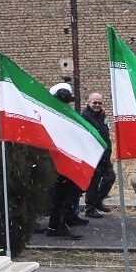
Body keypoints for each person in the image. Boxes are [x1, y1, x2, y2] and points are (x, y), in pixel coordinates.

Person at [45, 83, 85, 239]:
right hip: (61, 162)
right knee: (65, 195)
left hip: (63, 161)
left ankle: (55, 226)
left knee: (60, 195)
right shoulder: (55, 116)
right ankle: (61, 224)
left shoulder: (58, 115)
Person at [81, 93, 114, 219]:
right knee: (94, 183)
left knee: (110, 177)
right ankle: (90, 208)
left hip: (104, 154)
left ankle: (98, 201)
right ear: (89, 102)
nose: (97, 105)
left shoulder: (102, 115)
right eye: (94, 102)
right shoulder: (85, 116)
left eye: (99, 103)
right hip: (93, 155)